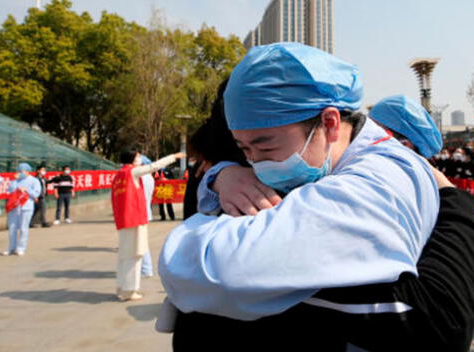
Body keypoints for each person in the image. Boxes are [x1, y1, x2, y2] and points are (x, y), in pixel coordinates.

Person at [160, 43, 449, 348]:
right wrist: (221, 174)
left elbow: (216, 270)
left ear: (329, 123)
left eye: (266, 147)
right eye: (245, 149)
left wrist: (188, 240)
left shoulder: (375, 183)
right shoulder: (321, 159)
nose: (256, 163)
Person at [111, 149, 183, 301]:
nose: (140, 159)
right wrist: (174, 156)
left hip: (125, 220)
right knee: (134, 255)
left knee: (125, 256)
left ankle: (122, 287)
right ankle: (130, 291)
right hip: (134, 219)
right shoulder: (132, 172)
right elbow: (154, 166)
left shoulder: (119, 174)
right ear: (131, 159)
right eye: (137, 157)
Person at [5, 163, 41, 256]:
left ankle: (21, 248)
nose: (20, 173)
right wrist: (15, 181)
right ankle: (11, 248)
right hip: (14, 206)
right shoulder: (15, 180)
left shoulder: (34, 181)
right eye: (19, 171)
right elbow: (9, 191)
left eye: (22, 171)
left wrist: (26, 189)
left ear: (28, 171)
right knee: (12, 228)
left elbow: (36, 194)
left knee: (23, 228)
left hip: (26, 206)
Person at [139, 155, 155, 278]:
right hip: (143, 212)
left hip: (139, 213)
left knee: (141, 242)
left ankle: (146, 269)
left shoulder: (142, 177)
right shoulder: (148, 177)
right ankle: (144, 268)